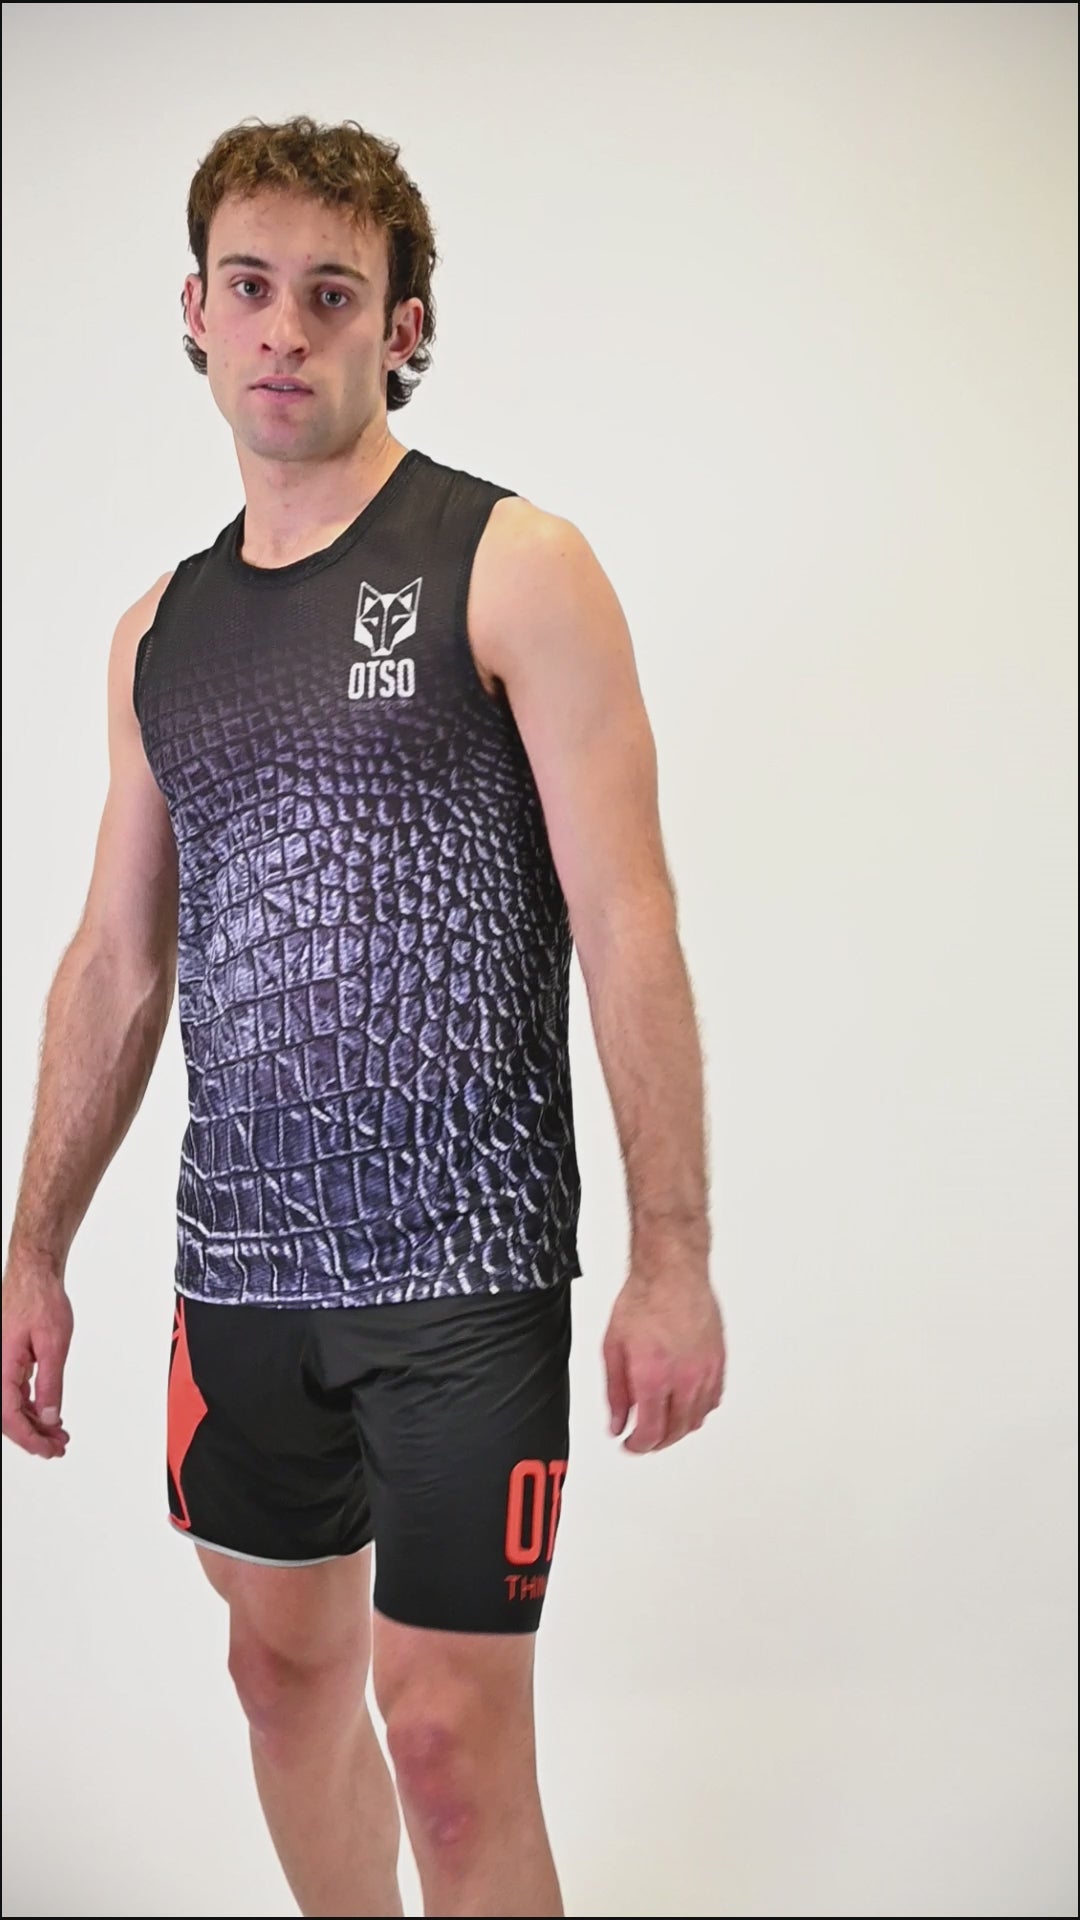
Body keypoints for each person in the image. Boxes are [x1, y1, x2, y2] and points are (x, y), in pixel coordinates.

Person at [1, 115, 726, 1919]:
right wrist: (34, 1250)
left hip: (464, 1266)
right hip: (242, 1272)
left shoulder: (512, 562)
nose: (285, 328)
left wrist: (674, 1255)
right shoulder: (158, 633)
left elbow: (627, 916)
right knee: (280, 1679)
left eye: (333, 295)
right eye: (249, 287)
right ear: (194, 308)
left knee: (454, 1752)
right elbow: (116, 961)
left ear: (401, 326)